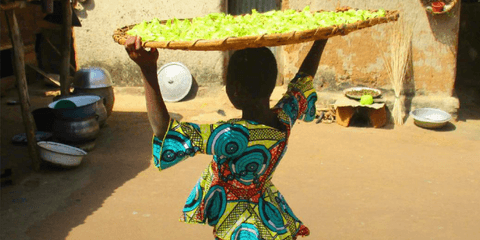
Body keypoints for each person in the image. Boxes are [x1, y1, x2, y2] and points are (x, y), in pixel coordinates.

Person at [125, 36, 328, 240]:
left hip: (243, 227)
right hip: (270, 218)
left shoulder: (233, 136)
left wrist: (148, 70)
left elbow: (165, 132)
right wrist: (321, 39)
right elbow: (303, 79)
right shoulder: (285, 116)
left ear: (236, 90)